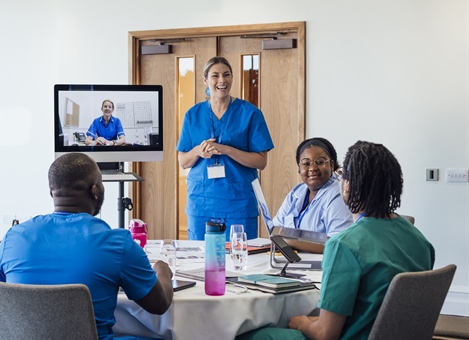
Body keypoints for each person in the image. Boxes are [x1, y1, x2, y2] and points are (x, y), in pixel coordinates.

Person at [240, 141, 435, 340]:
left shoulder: (343, 245)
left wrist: (301, 322)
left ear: (348, 186)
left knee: (246, 335)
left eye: (341, 175)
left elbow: (325, 334)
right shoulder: (419, 239)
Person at [0, 152, 174, 340]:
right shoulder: (117, 244)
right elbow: (159, 305)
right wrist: (162, 270)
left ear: (51, 192)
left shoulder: (13, 237)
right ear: (95, 191)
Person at [176, 56, 274, 240]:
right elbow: (182, 161)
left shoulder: (250, 113)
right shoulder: (193, 115)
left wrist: (227, 149)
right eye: (215, 76)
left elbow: (261, 161)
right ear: (206, 80)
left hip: (238, 203)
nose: (222, 80)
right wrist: (198, 151)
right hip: (201, 202)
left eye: (226, 75)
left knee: (241, 260)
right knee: (201, 262)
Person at [272, 137, 353, 237]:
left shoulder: (339, 194)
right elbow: (275, 230)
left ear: (331, 165)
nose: (313, 168)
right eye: (306, 163)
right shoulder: (296, 192)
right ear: (299, 168)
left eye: (320, 162)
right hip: (292, 252)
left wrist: (290, 242)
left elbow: (337, 242)